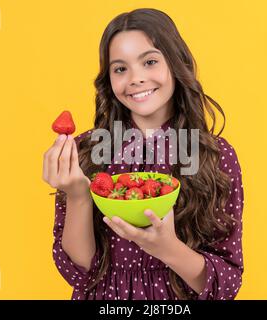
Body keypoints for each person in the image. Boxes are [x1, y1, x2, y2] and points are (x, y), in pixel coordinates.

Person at [42, 8, 244, 300]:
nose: (135, 79)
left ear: (176, 64)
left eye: (149, 62)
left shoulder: (214, 156)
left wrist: (168, 249)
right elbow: (80, 271)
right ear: (109, 79)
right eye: (120, 68)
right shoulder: (88, 151)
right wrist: (77, 194)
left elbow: (226, 283)